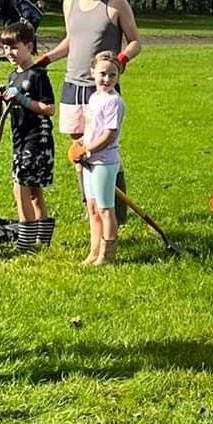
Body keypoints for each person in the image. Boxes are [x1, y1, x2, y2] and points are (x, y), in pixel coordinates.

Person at [33, 0, 142, 142]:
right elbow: (71, 41)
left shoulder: (116, 3)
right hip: (72, 84)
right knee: (78, 148)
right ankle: (82, 174)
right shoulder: (69, 2)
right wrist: (45, 60)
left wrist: (122, 59)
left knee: (102, 145)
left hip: (100, 84)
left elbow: (135, 42)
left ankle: (113, 173)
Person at [0, 20, 56, 253]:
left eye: (14, 47)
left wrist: (22, 99)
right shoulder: (13, 76)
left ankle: (26, 243)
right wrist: (4, 97)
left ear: (29, 47)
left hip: (37, 140)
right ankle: (42, 240)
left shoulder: (37, 75)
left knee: (20, 187)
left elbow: (49, 108)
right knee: (33, 191)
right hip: (20, 139)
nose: (8, 52)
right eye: (5, 48)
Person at [73, 52, 125, 265]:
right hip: (89, 160)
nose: (107, 79)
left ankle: (108, 253)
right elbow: (92, 128)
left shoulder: (114, 102)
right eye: (103, 73)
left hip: (104, 161)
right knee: (92, 208)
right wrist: (80, 144)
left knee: (105, 208)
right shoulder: (94, 98)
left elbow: (108, 135)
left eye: (112, 75)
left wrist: (87, 150)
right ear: (92, 72)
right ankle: (94, 251)